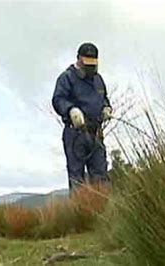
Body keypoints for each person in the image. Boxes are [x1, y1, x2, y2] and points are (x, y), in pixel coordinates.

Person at [52, 42, 113, 192]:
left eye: (93, 63)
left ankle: (101, 212)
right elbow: (58, 99)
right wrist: (70, 110)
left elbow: (104, 97)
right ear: (79, 59)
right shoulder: (67, 78)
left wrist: (107, 107)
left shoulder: (98, 80)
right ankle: (80, 213)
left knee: (100, 176)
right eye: (87, 63)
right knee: (77, 180)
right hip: (75, 134)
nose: (90, 67)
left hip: (96, 134)